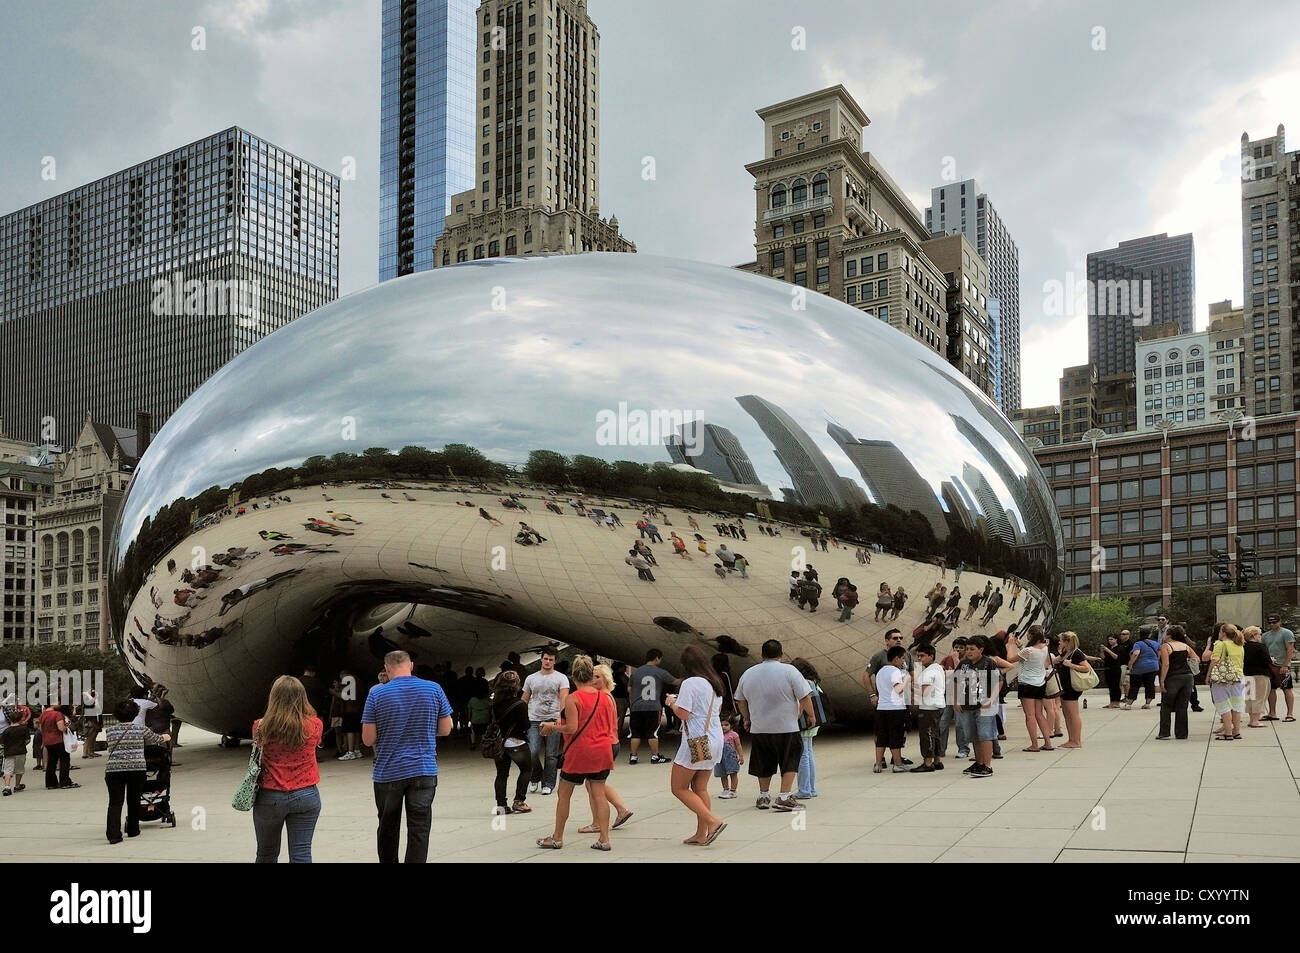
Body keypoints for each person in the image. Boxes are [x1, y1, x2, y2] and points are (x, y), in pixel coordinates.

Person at [361, 650, 453, 863]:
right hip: (424, 769)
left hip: (388, 772)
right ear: (411, 665)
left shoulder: (376, 694)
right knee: (419, 829)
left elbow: (368, 739)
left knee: (387, 828)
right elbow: (446, 728)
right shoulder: (434, 689)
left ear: (387, 668)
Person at [535, 656, 618, 851]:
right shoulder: (605, 697)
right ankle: (604, 839)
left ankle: (557, 837)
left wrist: (551, 727)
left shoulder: (573, 699)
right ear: (591, 675)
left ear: (573, 677)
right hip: (603, 750)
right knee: (599, 794)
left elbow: (571, 727)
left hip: (580, 752)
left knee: (564, 794)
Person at [733, 639, 814, 812]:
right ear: (781, 654)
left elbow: (740, 700)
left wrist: (747, 718)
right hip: (787, 727)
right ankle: (784, 796)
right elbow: (804, 696)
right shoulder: (789, 671)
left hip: (760, 728)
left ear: (762, 655)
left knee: (763, 761)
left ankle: (763, 795)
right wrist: (811, 715)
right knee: (790, 760)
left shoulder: (749, 673)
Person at [251, 676, 323, 862]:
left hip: (270, 795)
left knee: (266, 853)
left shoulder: (260, 726)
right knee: (302, 853)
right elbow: (316, 744)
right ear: (302, 696)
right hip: (306, 794)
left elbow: (258, 750)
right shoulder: (315, 724)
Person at [665, 645, 727, 846]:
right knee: (700, 787)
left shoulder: (690, 683)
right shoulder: (714, 682)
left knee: (678, 787)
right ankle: (702, 833)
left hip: (698, 740)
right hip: (715, 737)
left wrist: (671, 703)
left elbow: (684, 713)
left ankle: (712, 822)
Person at [576, 665, 634, 837]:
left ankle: (600, 821)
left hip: (604, 743)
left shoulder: (601, 696)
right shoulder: (608, 696)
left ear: (606, 679)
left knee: (594, 784)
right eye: (592, 677)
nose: (593, 680)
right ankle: (620, 809)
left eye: (597, 677)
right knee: (594, 783)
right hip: (610, 742)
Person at [103, 700, 170, 843]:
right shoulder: (141, 729)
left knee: (115, 803)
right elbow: (156, 739)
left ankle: (113, 835)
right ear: (135, 714)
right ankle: (133, 830)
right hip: (136, 769)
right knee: (133, 800)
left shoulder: (110, 731)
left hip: (113, 770)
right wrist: (166, 737)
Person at [523, 646, 570, 793]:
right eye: (545, 659)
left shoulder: (561, 678)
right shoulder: (531, 678)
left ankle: (548, 783)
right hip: (534, 719)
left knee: (551, 754)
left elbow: (564, 697)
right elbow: (524, 698)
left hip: (553, 719)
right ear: (541, 659)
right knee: (532, 751)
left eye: (551, 659)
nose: (548, 662)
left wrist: (560, 717)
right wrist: (520, 716)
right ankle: (535, 775)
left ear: (555, 661)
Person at [953, 635, 999, 778]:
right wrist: (956, 700)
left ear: (981, 649)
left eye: (972, 649)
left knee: (985, 735)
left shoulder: (988, 663)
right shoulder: (963, 664)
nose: (968, 652)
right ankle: (979, 763)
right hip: (967, 705)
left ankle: (987, 765)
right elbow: (955, 681)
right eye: (967, 649)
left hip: (983, 705)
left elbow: (999, 681)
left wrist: (991, 699)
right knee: (973, 735)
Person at [490, 671, 533, 815]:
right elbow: (525, 725)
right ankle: (519, 801)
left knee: (501, 774)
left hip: (500, 743)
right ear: (516, 686)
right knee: (526, 769)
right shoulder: (520, 704)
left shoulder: (495, 703)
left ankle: (501, 806)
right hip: (517, 743)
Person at [627, 648, 676, 764]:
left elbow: (629, 689)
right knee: (652, 733)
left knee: (635, 732)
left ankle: (633, 757)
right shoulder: (660, 672)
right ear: (657, 658)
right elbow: (675, 681)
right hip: (653, 706)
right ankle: (655, 756)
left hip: (636, 706)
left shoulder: (636, 672)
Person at [1204, 623, 1246, 741]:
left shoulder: (1220, 644)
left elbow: (1214, 661)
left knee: (1224, 705)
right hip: (1237, 677)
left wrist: (1208, 676)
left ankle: (1227, 732)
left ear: (1223, 633)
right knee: (1236, 706)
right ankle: (1236, 731)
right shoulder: (1240, 645)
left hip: (1222, 679)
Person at [1016, 627, 1055, 751]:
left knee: (1030, 715)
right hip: (1040, 683)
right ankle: (1048, 742)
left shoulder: (1028, 650)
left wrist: (1012, 645)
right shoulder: (1044, 649)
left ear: (1031, 636)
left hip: (1026, 683)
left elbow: (1011, 658)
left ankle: (1034, 744)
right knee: (1039, 714)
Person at [873, 646, 910, 773]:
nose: (903, 661)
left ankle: (878, 764)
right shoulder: (895, 672)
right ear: (896, 658)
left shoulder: (880, 672)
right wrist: (905, 680)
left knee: (881, 736)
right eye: (902, 658)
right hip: (895, 708)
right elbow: (898, 689)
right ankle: (898, 763)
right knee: (896, 736)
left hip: (881, 707)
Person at [1156, 626, 1197, 741]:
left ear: (1169, 635)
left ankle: (1164, 733)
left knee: (1166, 705)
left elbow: (1166, 664)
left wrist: (1162, 680)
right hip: (1187, 677)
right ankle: (1181, 733)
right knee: (1182, 706)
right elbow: (1196, 658)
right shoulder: (1185, 646)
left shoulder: (1166, 646)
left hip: (1173, 677)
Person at [1052, 631, 1091, 749]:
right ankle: (1071, 739)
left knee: (1073, 714)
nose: (1059, 642)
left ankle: (1076, 740)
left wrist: (1071, 665)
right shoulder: (1066, 652)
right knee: (1067, 714)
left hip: (1072, 688)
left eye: (1061, 640)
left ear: (1067, 641)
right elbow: (1054, 660)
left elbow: (1086, 668)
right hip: (1065, 687)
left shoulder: (1076, 653)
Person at [910, 644, 945, 772]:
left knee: (927, 734)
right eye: (918, 656)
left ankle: (928, 762)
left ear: (931, 656)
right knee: (936, 734)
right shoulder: (938, 668)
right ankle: (937, 760)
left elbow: (923, 692)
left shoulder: (928, 672)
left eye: (922, 656)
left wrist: (911, 688)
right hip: (938, 704)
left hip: (929, 707)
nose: (920, 659)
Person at [791, 658, 822, 797]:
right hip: (813, 723)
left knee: (802, 755)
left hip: (805, 721)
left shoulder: (803, 683)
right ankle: (811, 788)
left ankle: (804, 790)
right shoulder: (814, 682)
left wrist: (795, 716)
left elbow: (802, 701)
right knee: (808, 753)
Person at [1263, 614, 1296, 722]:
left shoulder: (1286, 633)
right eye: (1270, 623)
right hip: (1270, 665)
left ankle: (1290, 713)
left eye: (1274, 622)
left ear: (1280, 622)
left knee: (1287, 688)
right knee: (1271, 689)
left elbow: (1290, 649)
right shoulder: (1265, 636)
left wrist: (1285, 665)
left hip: (1282, 664)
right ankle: (1272, 713)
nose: (1272, 624)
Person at [39, 704, 77, 789]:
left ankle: (50, 783)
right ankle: (64, 782)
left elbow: (41, 729)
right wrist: (66, 726)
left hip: (48, 741)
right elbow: (61, 728)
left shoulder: (43, 714)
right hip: (58, 739)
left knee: (51, 761)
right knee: (64, 760)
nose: (59, 704)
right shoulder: (57, 714)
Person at [1242, 626, 1273, 730]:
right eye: (1259, 635)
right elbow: (1267, 660)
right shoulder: (1260, 647)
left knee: (1250, 698)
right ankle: (1255, 721)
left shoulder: (1243, 647)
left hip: (1246, 674)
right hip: (1260, 675)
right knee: (1259, 698)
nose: (1260, 637)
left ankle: (1251, 719)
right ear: (1254, 635)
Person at [1122, 630, 1161, 710]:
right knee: (1150, 685)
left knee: (1135, 685)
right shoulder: (1156, 643)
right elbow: (1159, 653)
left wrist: (1130, 664)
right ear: (1149, 634)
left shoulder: (1138, 644)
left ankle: (1129, 704)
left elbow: (1136, 653)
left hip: (1139, 668)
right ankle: (1147, 703)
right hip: (1153, 667)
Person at [1, 708, 31, 795]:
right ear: (21, 718)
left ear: (10, 719)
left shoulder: (6, 731)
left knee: (8, 770)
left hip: (9, 752)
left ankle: (7, 786)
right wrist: (22, 744)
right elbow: (28, 740)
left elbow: (2, 743)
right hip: (21, 751)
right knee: (19, 769)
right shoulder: (24, 729)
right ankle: (17, 785)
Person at [714, 715, 743, 798]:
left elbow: (738, 745)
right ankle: (725, 789)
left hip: (730, 757)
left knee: (733, 773)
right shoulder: (717, 734)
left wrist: (741, 756)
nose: (723, 727)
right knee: (722, 774)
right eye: (721, 725)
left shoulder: (734, 735)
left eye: (726, 725)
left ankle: (733, 791)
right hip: (719, 757)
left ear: (731, 725)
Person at [1100, 635, 1124, 708]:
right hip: (1108, 668)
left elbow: (1116, 657)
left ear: (1116, 640)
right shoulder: (1109, 647)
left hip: (1115, 668)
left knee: (1116, 686)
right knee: (1110, 686)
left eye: (1111, 639)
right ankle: (1112, 702)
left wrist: (1108, 650)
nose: (1110, 641)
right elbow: (1103, 657)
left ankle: (1117, 702)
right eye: (1109, 639)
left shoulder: (1120, 647)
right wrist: (1102, 651)